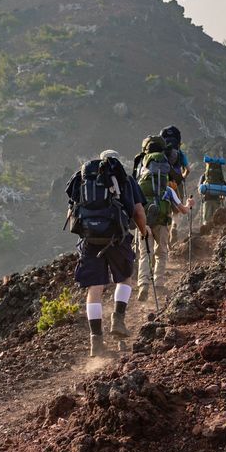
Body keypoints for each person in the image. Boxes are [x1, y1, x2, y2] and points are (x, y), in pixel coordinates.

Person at [66, 150, 150, 357]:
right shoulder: (125, 180)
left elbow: (71, 213)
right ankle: (118, 319)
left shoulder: (82, 180)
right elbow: (138, 212)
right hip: (117, 237)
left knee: (94, 288)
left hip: (89, 240)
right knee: (124, 279)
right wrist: (143, 231)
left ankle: (96, 341)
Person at [134, 136, 194, 301]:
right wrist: (189, 204)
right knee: (161, 252)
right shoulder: (168, 188)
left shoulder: (139, 184)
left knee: (145, 253)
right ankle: (159, 284)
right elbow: (182, 210)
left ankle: (143, 284)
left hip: (144, 221)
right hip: (162, 221)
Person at [200, 157, 226, 230]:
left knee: (207, 219)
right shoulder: (219, 176)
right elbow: (225, 187)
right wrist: (222, 196)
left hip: (207, 200)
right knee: (217, 219)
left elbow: (200, 189)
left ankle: (207, 233)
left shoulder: (205, 176)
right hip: (217, 199)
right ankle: (216, 233)